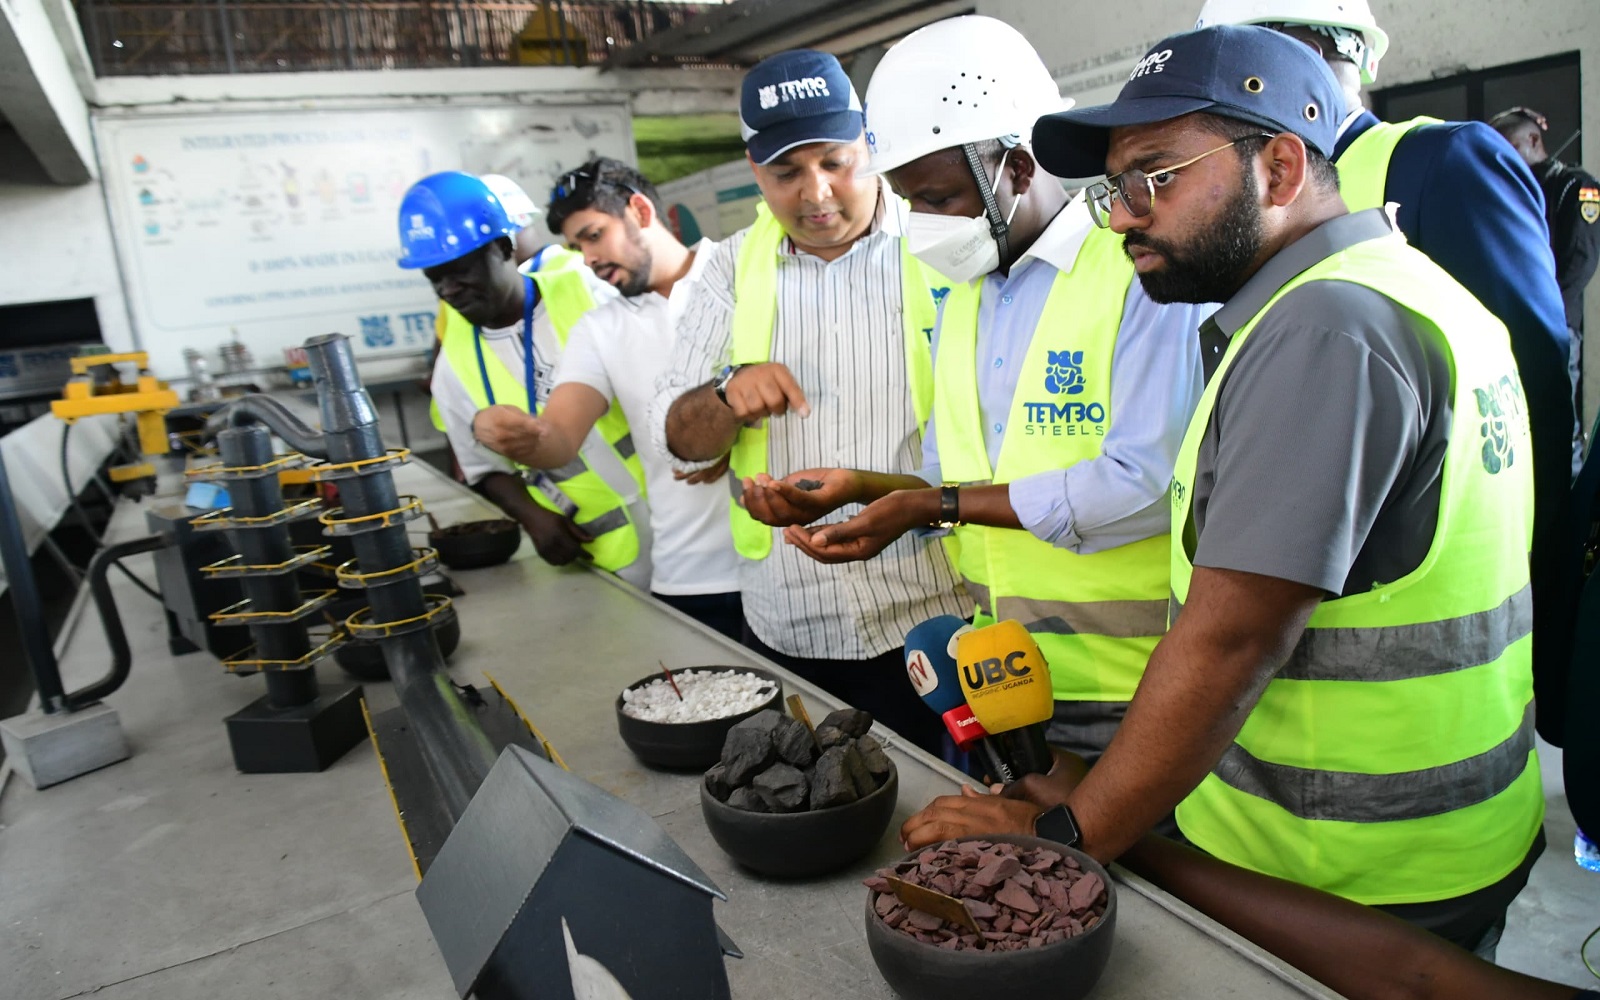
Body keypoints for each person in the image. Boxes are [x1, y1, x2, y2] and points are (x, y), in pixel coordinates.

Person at [901, 25, 1546, 957]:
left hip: (1343, 867)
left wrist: (1062, 838)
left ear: (1279, 168)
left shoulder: (1325, 331)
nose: (1121, 219)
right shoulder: (1414, 290)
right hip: (1445, 831)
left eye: (1155, 177)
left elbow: (1232, 641)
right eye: (1115, 188)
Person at [745, 16, 1208, 763]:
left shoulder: (1135, 274)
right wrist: (865, 492)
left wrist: (935, 504)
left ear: (1018, 168)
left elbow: (1145, 486)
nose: (922, 225)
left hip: (1136, 686)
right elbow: (953, 480)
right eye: (908, 201)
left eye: (936, 197)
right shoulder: (965, 297)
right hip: (1004, 678)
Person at [1194, 0, 1577, 747]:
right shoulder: (1242, 189)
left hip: (1415, 594)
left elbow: (1529, 387)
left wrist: (1544, 589)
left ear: (1327, 57)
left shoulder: (1440, 164)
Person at [652, 49, 970, 753]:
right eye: (786, 172)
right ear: (753, 169)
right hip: (792, 619)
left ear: (869, 144)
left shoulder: (943, 242)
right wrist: (726, 395)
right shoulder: (729, 270)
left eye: (835, 161)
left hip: (941, 608)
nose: (816, 192)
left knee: (962, 804)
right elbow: (675, 440)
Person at [470, 158, 744, 640]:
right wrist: (513, 434)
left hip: (793, 564)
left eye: (594, 235)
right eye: (577, 247)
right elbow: (559, 437)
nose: (588, 259)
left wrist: (721, 431)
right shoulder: (600, 329)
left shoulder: (744, 273)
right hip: (688, 577)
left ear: (640, 210)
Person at [398, 170, 651, 587]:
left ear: (502, 248)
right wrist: (534, 518)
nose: (448, 289)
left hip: (681, 520)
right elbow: (482, 468)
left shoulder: (590, 292)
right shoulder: (453, 369)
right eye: (434, 279)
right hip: (602, 556)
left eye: (458, 271)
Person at [1492, 104, 1599, 467]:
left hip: (1554, 326)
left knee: (1556, 427)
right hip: (1510, 326)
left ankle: (1568, 498)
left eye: (1510, 146)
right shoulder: (1509, 190)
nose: (1504, 156)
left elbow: (1579, 261)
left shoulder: (1575, 186)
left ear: (1534, 140)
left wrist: (1544, 311)